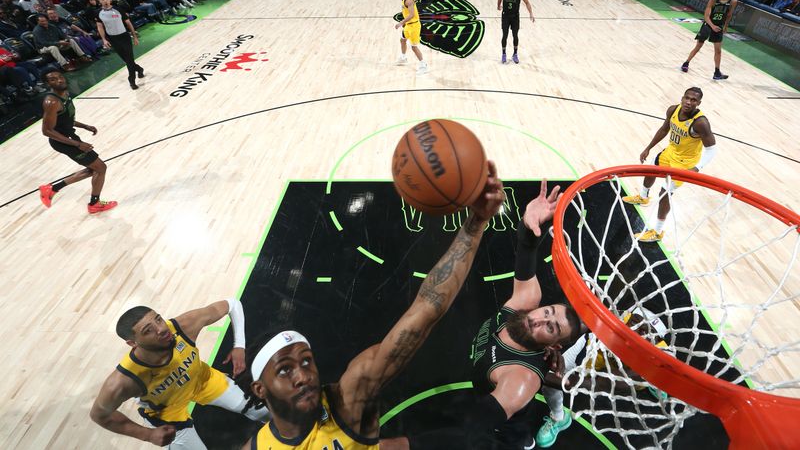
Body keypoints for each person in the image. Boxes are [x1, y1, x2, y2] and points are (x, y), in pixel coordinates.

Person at [238, 162, 506, 449]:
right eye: (284, 370)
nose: (303, 376)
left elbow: (426, 309)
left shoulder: (350, 397)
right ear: (259, 389)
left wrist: (476, 222)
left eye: (306, 361)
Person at [381, 180, 583, 450]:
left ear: (553, 345)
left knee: (510, 440)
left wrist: (399, 446)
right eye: (548, 312)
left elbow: (466, 432)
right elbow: (527, 250)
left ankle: (532, 438)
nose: (540, 319)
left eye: (551, 327)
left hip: (502, 428)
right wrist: (532, 227)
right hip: (487, 386)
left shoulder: (520, 380)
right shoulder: (525, 303)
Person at [90, 300, 269, 448]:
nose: (161, 329)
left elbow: (232, 304)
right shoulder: (125, 380)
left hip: (202, 380)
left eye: (158, 320)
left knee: (265, 411)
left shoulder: (183, 326)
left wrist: (240, 345)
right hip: (167, 413)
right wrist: (148, 435)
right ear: (132, 343)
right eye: (148, 330)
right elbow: (99, 415)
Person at [535, 308, 669, 447]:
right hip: (596, 352)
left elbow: (592, 384)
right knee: (549, 383)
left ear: (656, 342)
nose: (635, 332)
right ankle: (559, 418)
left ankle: (655, 382)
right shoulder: (610, 322)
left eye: (645, 332)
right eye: (634, 322)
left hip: (628, 371)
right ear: (627, 318)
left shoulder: (657, 359)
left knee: (657, 375)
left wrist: (534, 371)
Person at [622, 87, 717, 242]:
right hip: (670, 152)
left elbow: (712, 149)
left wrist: (696, 168)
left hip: (685, 162)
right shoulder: (673, 110)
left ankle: (657, 232)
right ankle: (643, 197)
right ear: (682, 98)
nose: (688, 102)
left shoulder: (701, 123)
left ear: (699, 103)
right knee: (651, 170)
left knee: (664, 193)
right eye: (687, 98)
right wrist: (648, 148)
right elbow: (664, 129)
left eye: (693, 100)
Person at [38, 70, 117, 214]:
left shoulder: (65, 94)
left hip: (70, 138)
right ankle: (94, 204)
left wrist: (85, 126)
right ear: (47, 84)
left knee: (94, 169)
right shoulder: (52, 102)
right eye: (53, 79)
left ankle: (52, 189)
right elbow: (47, 131)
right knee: (101, 168)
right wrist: (78, 144)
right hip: (63, 141)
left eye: (60, 77)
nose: (59, 80)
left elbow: (65, 120)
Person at [680, 0, 737, 80]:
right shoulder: (713, 0)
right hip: (708, 25)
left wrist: (725, 26)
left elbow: (729, 15)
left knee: (718, 51)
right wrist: (712, 26)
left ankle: (717, 72)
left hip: (718, 27)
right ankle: (686, 63)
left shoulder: (733, 1)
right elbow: (706, 16)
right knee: (698, 46)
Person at [94, 0, 145, 90]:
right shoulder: (98, 13)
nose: (105, 1)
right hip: (113, 39)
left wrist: (134, 36)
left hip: (124, 37)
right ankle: (139, 69)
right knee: (127, 60)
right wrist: (104, 39)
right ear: (99, 1)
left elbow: (128, 23)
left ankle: (131, 81)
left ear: (110, 0)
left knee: (129, 60)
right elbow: (100, 27)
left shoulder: (118, 9)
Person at [497, 0, 534, 64]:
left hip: (515, 17)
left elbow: (527, 3)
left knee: (515, 35)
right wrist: (498, 6)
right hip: (505, 16)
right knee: (504, 35)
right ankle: (504, 54)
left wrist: (531, 13)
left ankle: (515, 54)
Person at [395, 0, 428, 76]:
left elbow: (411, 15)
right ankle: (403, 58)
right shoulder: (403, 0)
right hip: (408, 25)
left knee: (414, 47)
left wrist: (401, 22)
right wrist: (405, 23)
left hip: (414, 26)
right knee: (402, 40)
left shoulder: (409, 0)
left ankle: (423, 65)